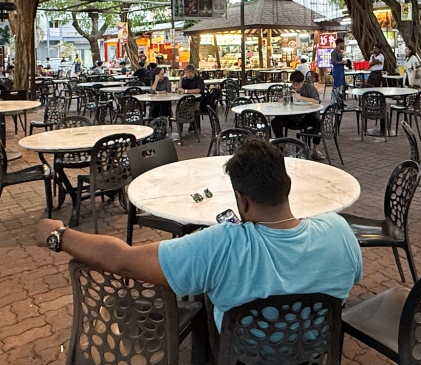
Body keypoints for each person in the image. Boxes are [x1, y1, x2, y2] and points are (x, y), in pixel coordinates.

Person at [36, 136, 362, 330]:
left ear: (241, 199)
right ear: (288, 187)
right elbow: (353, 277)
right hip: (314, 358)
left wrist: (60, 235)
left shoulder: (219, 246)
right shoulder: (339, 231)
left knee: (207, 290)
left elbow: (122, 260)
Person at [270, 70, 325, 160]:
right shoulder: (289, 89)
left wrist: (300, 98)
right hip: (291, 117)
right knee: (275, 122)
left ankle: (315, 150)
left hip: (306, 116)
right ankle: (281, 146)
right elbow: (279, 100)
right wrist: (286, 97)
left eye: (297, 84)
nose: (295, 86)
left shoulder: (309, 88)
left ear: (302, 82)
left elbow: (317, 101)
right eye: (293, 84)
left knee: (318, 124)